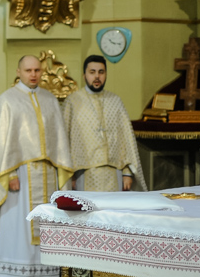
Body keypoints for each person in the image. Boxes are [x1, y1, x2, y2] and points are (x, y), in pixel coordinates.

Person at [0, 55, 72, 277]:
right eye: (28, 70)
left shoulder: (50, 100)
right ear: (18, 71)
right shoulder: (6, 101)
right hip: (19, 176)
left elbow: (60, 142)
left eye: (37, 70)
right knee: (17, 226)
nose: (33, 74)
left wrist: (62, 175)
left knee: (46, 226)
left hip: (48, 175)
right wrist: (10, 174)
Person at [63, 55, 147, 192]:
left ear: (106, 74)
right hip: (83, 172)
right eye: (92, 72)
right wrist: (69, 174)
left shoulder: (115, 101)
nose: (97, 76)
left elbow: (126, 140)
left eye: (101, 72)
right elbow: (64, 139)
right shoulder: (73, 102)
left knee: (113, 206)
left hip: (114, 171)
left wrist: (127, 173)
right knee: (87, 206)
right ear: (84, 75)